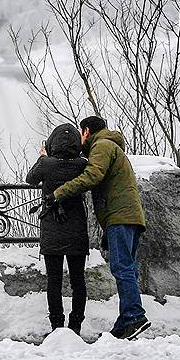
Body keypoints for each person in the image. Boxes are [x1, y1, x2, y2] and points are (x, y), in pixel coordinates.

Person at [53, 116, 151, 340]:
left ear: (86, 131)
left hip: (120, 217)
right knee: (127, 268)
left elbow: (92, 175)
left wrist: (59, 192)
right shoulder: (109, 146)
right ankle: (124, 323)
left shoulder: (103, 146)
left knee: (122, 267)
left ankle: (134, 316)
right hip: (126, 216)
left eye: (80, 132)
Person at [26, 124, 89, 335]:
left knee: (54, 280)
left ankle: (57, 326)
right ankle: (76, 324)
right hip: (76, 228)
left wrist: (42, 157)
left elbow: (30, 179)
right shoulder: (82, 164)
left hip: (52, 227)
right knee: (78, 280)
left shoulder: (46, 164)